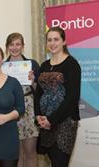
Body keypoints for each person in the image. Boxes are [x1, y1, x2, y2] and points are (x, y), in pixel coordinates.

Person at [34, 26, 81, 167]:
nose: (52, 43)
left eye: (56, 39)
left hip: (64, 123)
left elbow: (72, 98)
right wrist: (38, 116)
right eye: (49, 40)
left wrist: (51, 120)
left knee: (60, 162)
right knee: (51, 161)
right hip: (45, 122)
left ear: (64, 42)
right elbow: (38, 93)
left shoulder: (72, 64)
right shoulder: (44, 65)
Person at [5, 32, 39, 167]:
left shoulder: (32, 64)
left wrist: (34, 81)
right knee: (16, 153)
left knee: (30, 151)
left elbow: (40, 90)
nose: (14, 47)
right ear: (7, 47)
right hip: (11, 110)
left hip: (29, 109)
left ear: (23, 46)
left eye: (17, 44)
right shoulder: (2, 66)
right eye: (11, 44)